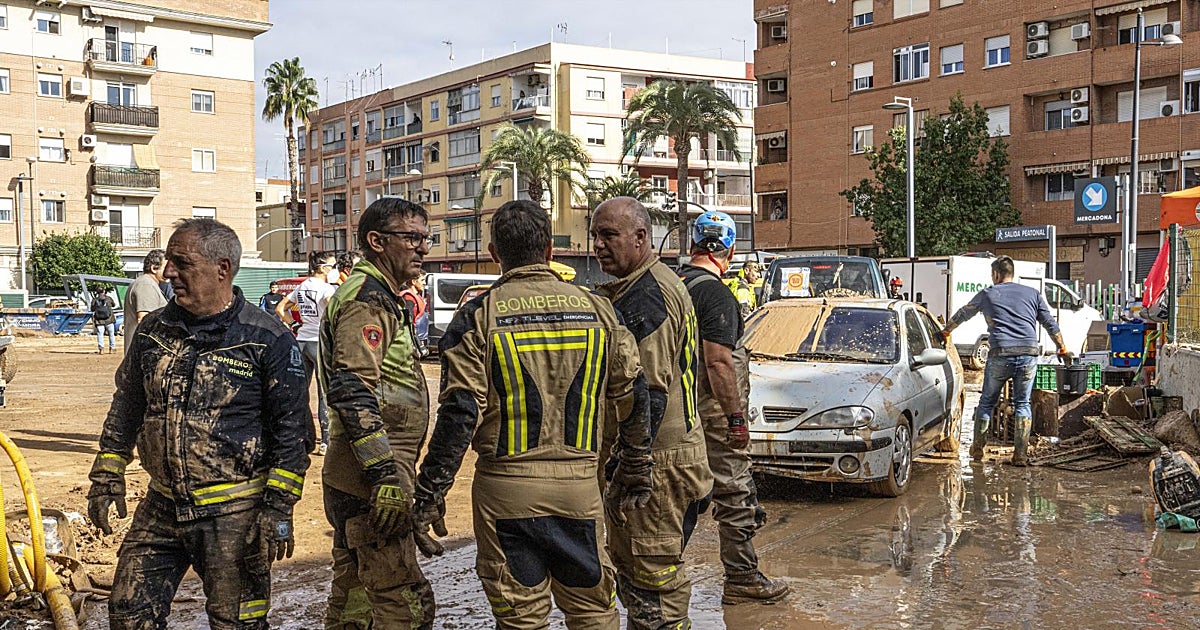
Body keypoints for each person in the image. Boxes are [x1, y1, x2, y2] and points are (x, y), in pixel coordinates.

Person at [412, 199, 654, 629]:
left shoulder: (477, 316)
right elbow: (634, 394)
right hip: (579, 492)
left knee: (521, 618)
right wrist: (636, 466)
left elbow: (460, 412)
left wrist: (430, 493)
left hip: (506, 493)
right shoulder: (599, 310)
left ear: (494, 254)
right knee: (594, 613)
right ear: (549, 251)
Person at [87, 218, 312, 629]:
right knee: (128, 614)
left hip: (236, 514)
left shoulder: (267, 339)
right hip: (162, 507)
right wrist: (106, 475)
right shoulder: (155, 331)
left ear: (222, 268)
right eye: (169, 262)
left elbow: (293, 434)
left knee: (237, 623)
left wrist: (278, 509)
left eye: (181, 263)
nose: (169, 272)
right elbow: (127, 405)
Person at [592, 197, 713, 629]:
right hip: (668, 458)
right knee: (643, 583)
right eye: (595, 236)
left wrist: (631, 465)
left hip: (658, 465)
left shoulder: (648, 298)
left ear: (641, 237)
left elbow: (648, 392)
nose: (598, 246)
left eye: (609, 235)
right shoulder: (644, 286)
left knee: (653, 589)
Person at [319, 198, 436, 629]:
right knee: (403, 599)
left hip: (357, 469)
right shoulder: (369, 300)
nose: (422, 248)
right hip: (369, 474)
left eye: (425, 239)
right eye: (411, 238)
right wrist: (385, 476)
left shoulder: (381, 296)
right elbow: (352, 388)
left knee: (354, 594)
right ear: (377, 241)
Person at [678, 211, 789, 604]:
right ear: (728, 250)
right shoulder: (715, 292)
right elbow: (718, 362)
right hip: (712, 413)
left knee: (676, 494)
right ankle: (742, 578)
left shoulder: (672, 285)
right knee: (735, 492)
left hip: (674, 414)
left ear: (693, 243)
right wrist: (736, 419)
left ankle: (655, 577)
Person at [940, 255, 1069, 466]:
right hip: (1028, 354)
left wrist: (946, 331)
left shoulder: (988, 294)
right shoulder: (1033, 294)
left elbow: (965, 313)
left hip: (1000, 353)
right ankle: (1020, 455)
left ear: (996, 274)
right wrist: (1062, 348)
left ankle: (978, 451)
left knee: (987, 402)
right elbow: (1050, 324)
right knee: (1022, 403)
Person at [277, 252, 339, 454]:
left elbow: (280, 308)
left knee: (299, 391)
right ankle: (325, 441)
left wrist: (294, 324)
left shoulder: (301, 287)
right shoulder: (326, 288)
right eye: (332, 265)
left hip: (301, 339)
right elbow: (332, 307)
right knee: (323, 393)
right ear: (323, 268)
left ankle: (298, 436)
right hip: (319, 343)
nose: (335, 269)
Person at [123, 249, 168, 351]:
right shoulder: (146, 284)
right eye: (166, 267)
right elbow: (144, 320)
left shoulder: (148, 283)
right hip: (144, 354)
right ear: (154, 268)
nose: (170, 271)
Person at [399, 272, 430, 353]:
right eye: (422, 280)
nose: (424, 283)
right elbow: (408, 323)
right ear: (413, 281)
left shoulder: (416, 297)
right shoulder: (408, 298)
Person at [91, 287, 118, 354]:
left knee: (100, 334)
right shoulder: (109, 298)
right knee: (111, 334)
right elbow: (114, 305)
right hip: (109, 319)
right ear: (104, 291)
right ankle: (112, 348)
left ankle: (101, 349)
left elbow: (92, 309)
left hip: (99, 321)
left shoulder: (95, 300)